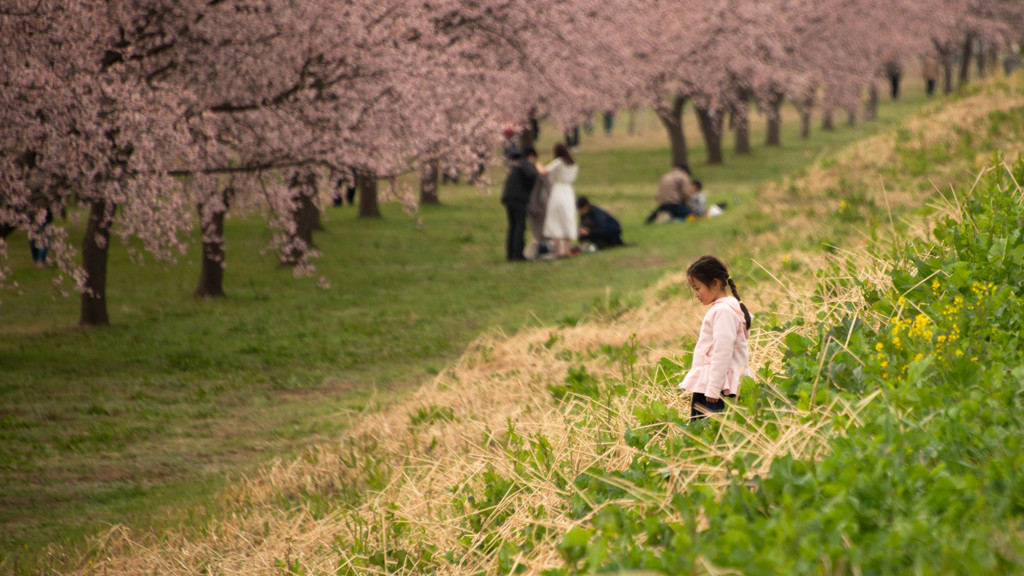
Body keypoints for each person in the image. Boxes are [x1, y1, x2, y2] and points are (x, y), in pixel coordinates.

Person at [679, 255, 753, 421]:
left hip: (718, 390)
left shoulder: (723, 312)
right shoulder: (726, 308)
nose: (696, 294)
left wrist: (713, 387)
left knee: (710, 436)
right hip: (718, 385)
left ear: (715, 283)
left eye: (697, 288)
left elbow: (722, 351)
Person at [540, 143, 579, 258]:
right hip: (569, 192)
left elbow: (544, 171)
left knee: (555, 219)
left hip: (558, 191)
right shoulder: (573, 164)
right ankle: (567, 249)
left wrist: (537, 165)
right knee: (567, 218)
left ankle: (559, 251)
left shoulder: (558, 162)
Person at [501, 147, 539, 261]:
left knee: (512, 226)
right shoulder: (524, 162)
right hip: (518, 198)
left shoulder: (515, 164)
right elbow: (533, 175)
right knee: (519, 226)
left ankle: (510, 254)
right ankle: (518, 255)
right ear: (531, 156)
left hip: (508, 197)